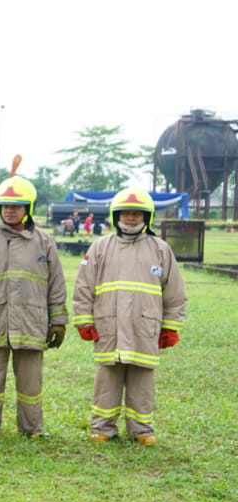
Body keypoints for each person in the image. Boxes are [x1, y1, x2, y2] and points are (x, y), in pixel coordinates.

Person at [73, 188, 187, 445]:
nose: (132, 218)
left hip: (144, 327)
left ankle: (142, 430)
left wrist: (171, 326)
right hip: (108, 326)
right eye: (126, 213)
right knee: (107, 379)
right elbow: (83, 287)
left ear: (147, 217)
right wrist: (84, 320)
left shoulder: (160, 249)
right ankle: (103, 428)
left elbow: (174, 291)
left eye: (137, 213)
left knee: (142, 380)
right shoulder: (100, 247)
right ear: (116, 216)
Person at [0, 175, 68, 438]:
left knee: (31, 381)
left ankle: (32, 428)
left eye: (16, 206)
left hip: (31, 322)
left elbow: (56, 284)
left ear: (28, 208)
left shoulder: (44, 242)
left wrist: (58, 321)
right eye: (4, 206)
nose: (9, 211)